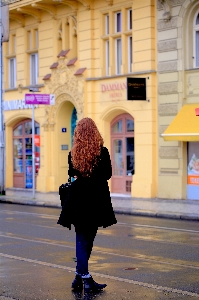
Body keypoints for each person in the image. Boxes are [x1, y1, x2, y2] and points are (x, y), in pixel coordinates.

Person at [57, 117, 117, 293]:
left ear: (78, 134)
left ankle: (79, 276)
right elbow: (107, 174)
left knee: (85, 239)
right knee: (86, 239)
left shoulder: (73, 153)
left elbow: (72, 175)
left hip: (77, 201)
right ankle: (85, 279)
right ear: (94, 132)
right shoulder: (102, 152)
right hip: (96, 200)